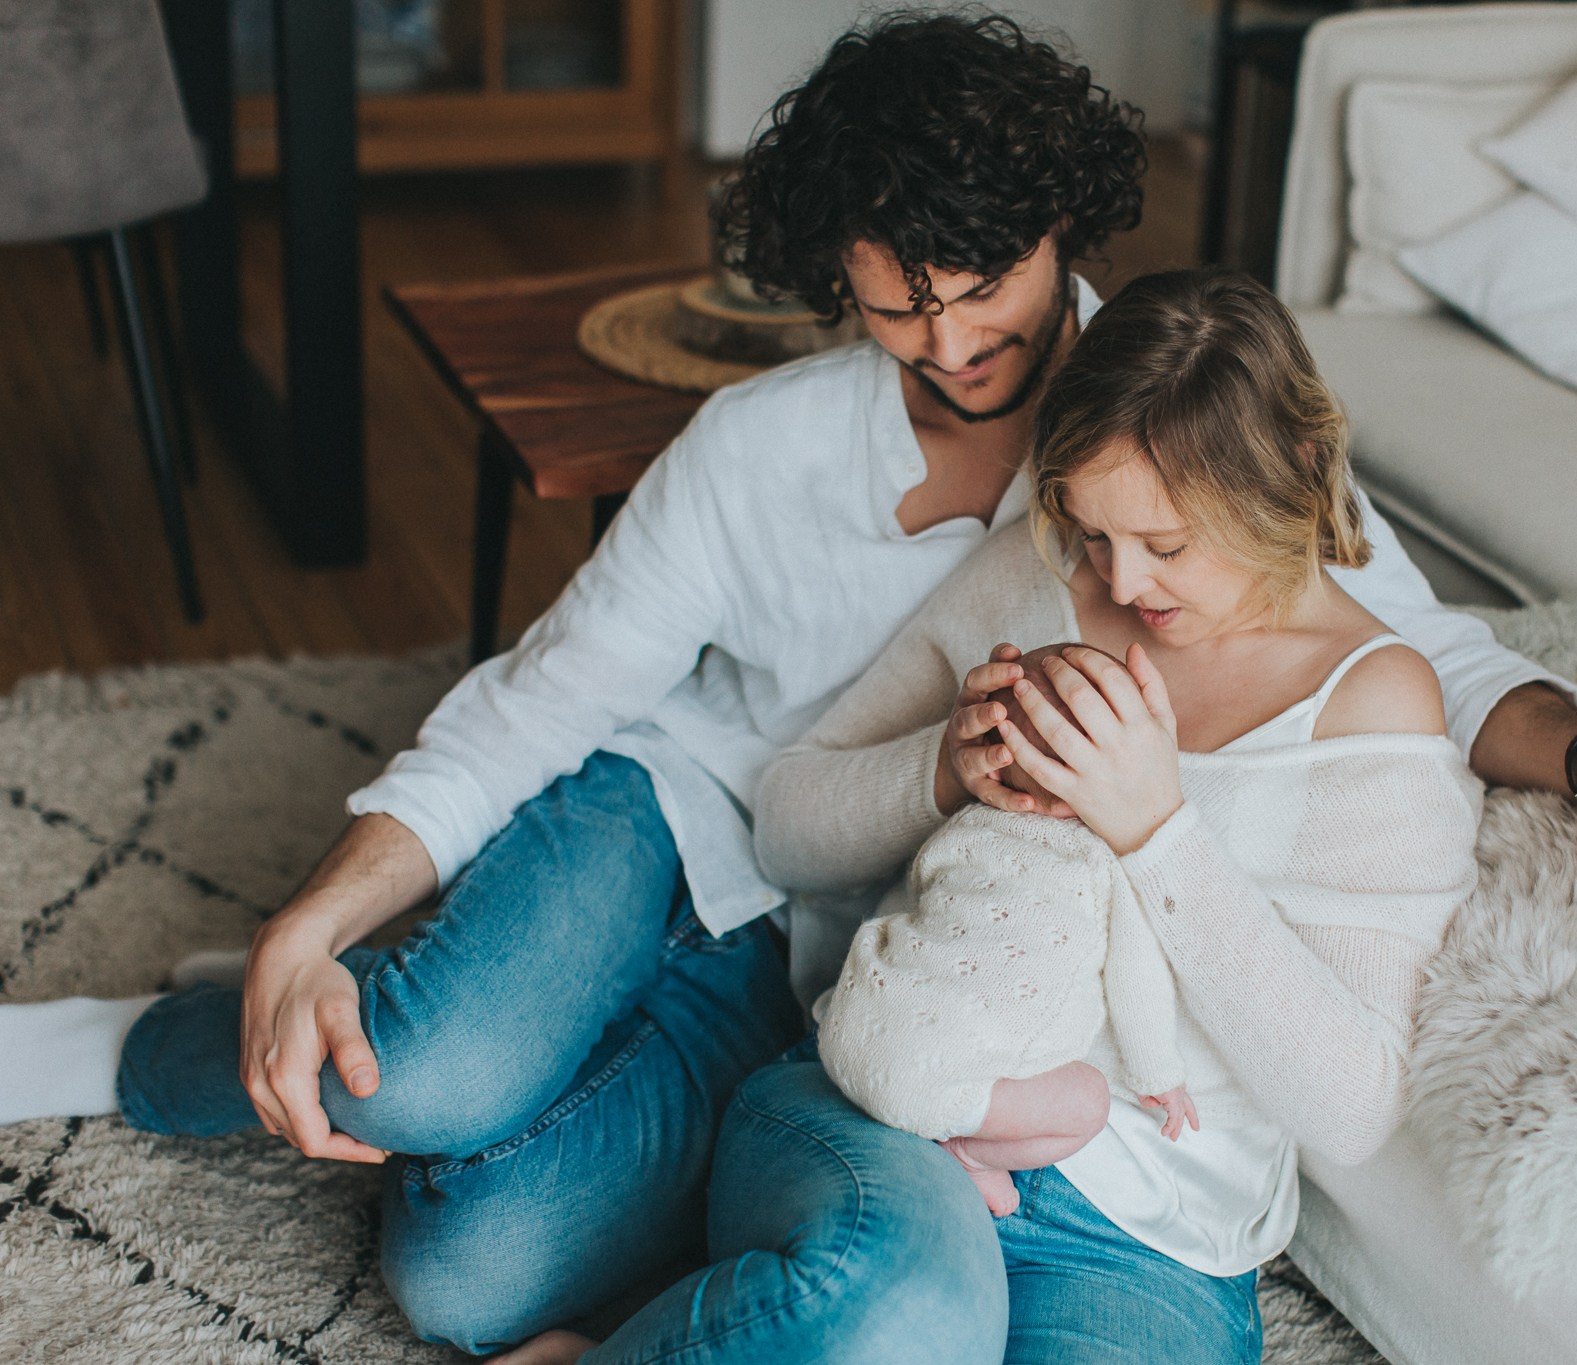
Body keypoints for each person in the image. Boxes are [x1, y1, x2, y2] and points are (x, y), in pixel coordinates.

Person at [0, 12, 1577, 1359]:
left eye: (984, 291)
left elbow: (1417, 652)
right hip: (689, 822)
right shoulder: (769, 453)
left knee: (465, 1281)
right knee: (422, 1070)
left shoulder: (1172, 446)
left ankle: (557, 1056)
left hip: (840, 968)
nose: (949, 347)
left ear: (1058, 233)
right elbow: (553, 691)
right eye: (894, 309)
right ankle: (201, 1026)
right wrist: (314, 913)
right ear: (835, 284)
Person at [529, 266, 1483, 1364]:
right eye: (1088, 530)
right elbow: (782, 825)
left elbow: (1353, 1105)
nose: (1121, 585)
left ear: (1298, 473)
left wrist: (1154, 830)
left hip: (1143, 1236)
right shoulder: (1033, 582)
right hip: (895, 1110)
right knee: (892, 1317)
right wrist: (940, 771)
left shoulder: (1368, 701)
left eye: (1167, 544)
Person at [817, 640, 1197, 1220]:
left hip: (847, 1037)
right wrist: (1159, 1075)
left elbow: (922, 897)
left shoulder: (966, 827)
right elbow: (1136, 981)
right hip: (938, 1088)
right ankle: (967, 1153)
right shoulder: (1108, 864)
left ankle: (891, 1057)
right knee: (1088, 1102)